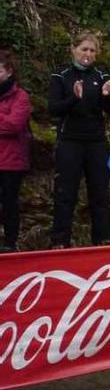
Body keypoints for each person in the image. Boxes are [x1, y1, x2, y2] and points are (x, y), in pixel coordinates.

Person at [48, 31, 110, 248]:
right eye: (84, 49)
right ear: (74, 49)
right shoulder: (61, 76)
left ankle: (103, 238)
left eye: (92, 50)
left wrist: (108, 95)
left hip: (96, 141)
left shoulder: (101, 76)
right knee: (65, 192)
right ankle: (60, 240)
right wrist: (73, 98)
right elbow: (54, 109)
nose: (87, 54)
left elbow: (109, 110)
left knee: (100, 192)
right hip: (70, 140)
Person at [0, 50, 31, 252]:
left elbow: (13, 125)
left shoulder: (21, 96)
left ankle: (10, 243)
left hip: (11, 161)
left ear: (9, 71)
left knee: (9, 203)